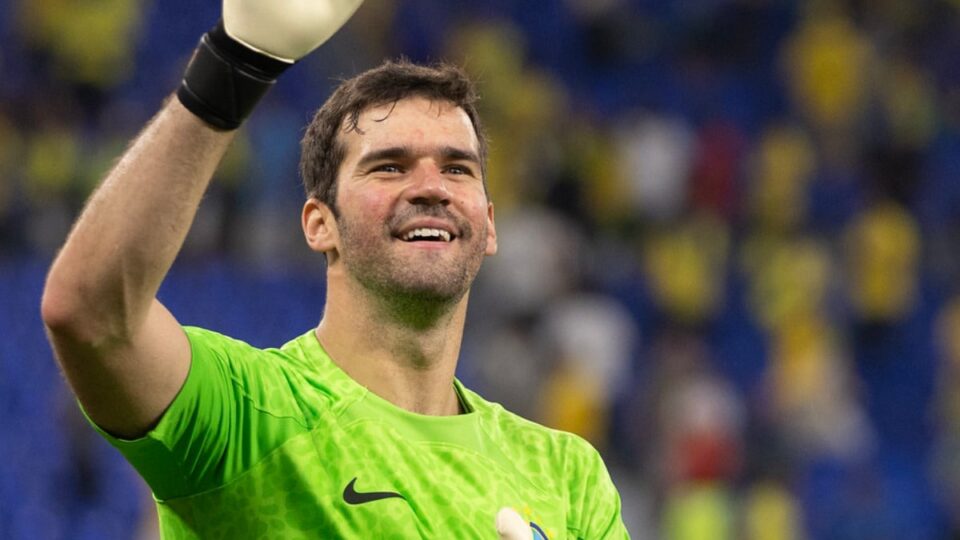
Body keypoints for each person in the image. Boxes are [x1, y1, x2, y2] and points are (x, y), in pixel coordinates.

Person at [40, 1, 629, 538]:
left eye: (457, 169)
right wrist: (234, 63)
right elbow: (89, 313)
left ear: (490, 224)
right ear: (320, 224)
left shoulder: (567, 475)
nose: (432, 188)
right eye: (389, 167)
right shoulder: (250, 415)